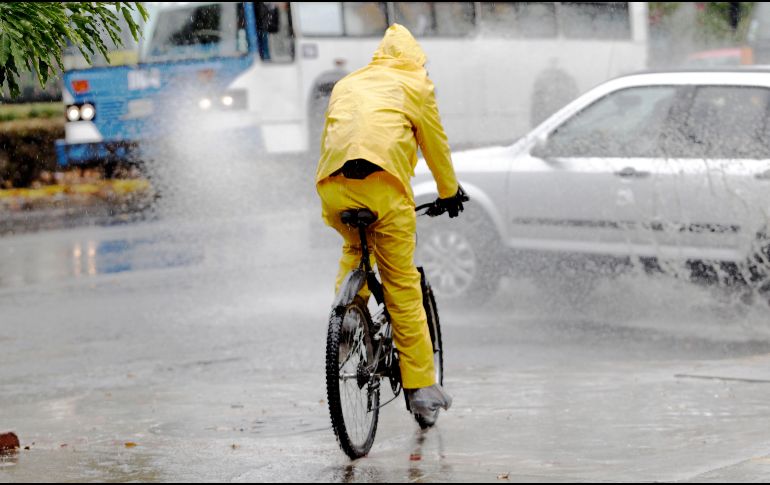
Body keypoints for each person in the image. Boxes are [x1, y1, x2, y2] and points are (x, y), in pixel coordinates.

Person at [316, 24, 465, 424]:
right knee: (401, 280)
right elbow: (436, 144)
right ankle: (420, 388)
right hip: (382, 190)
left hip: (332, 189)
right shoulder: (416, 85)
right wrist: (449, 192)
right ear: (416, 59)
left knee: (354, 249)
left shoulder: (348, 83)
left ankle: (347, 324)